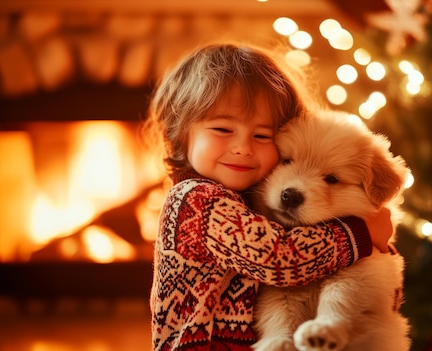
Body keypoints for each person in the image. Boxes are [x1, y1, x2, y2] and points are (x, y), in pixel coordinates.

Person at [143, 42, 392, 351]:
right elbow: (278, 259)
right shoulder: (199, 200)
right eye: (222, 129)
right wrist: (361, 234)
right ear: (180, 134)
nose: (243, 147)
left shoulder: (240, 197)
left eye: (262, 135)